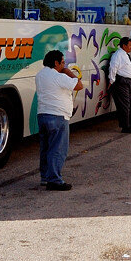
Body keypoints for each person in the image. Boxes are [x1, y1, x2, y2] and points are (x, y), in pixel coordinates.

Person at [35, 49, 84, 190]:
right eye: (62, 62)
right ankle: (55, 180)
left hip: (42, 114)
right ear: (56, 63)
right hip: (58, 116)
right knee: (57, 149)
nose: (64, 65)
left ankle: (45, 177)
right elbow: (79, 86)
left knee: (45, 148)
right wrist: (68, 72)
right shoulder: (58, 76)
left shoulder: (40, 75)